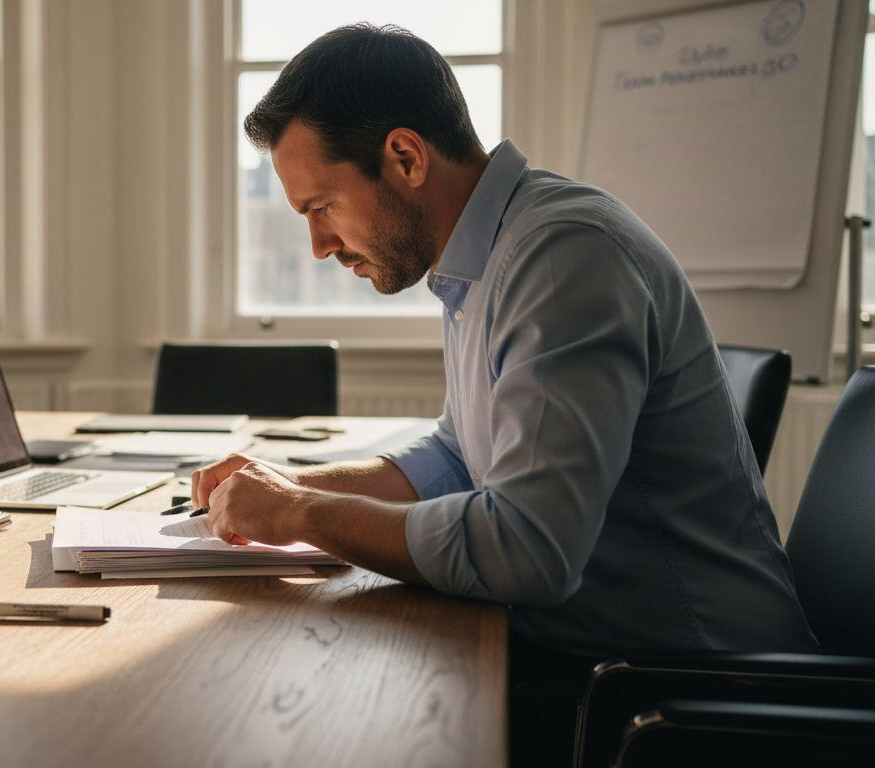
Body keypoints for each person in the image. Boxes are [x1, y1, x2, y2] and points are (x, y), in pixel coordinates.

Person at [191, 23, 817, 764]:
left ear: (405, 157)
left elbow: (526, 548)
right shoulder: (486, 259)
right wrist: (284, 487)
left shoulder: (562, 258)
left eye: (321, 206)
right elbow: (458, 460)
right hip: (610, 668)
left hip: (693, 707)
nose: (319, 245)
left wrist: (300, 512)